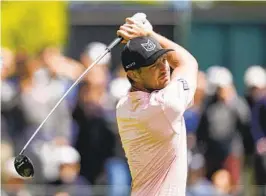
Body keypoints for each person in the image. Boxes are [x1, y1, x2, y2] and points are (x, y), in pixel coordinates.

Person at [115, 15, 198, 196]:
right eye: (153, 66)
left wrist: (145, 37)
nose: (164, 68)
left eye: (163, 59)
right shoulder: (164, 106)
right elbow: (187, 63)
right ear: (133, 75)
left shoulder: (123, 105)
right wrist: (150, 33)